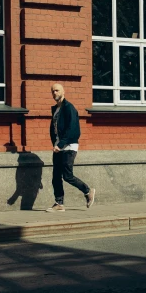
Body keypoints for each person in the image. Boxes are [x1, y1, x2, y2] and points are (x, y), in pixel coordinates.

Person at [46, 83, 95, 212]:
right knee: (56, 176)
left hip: (69, 146)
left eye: (57, 90)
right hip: (58, 146)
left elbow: (73, 130)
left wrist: (61, 144)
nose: (54, 93)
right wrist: (56, 144)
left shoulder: (69, 108)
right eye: (52, 91)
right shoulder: (56, 109)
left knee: (67, 175)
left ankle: (88, 190)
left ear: (63, 92)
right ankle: (59, 204)